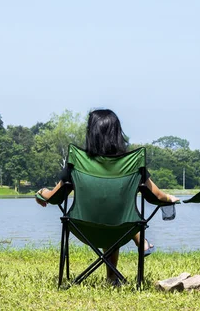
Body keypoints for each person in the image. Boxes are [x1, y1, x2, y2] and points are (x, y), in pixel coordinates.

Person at [35, 108, 179, 283]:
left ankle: (113, 275)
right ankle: (112, 276)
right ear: (117, 133)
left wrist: (40, 193)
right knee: (115, 222)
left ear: (91, 133)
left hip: (84, 228)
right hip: (122, 229)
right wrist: (169, 198)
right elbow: (155, 195)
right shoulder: (132, 163)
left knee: (107, 219)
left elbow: (53, 197)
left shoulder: (78, 162)